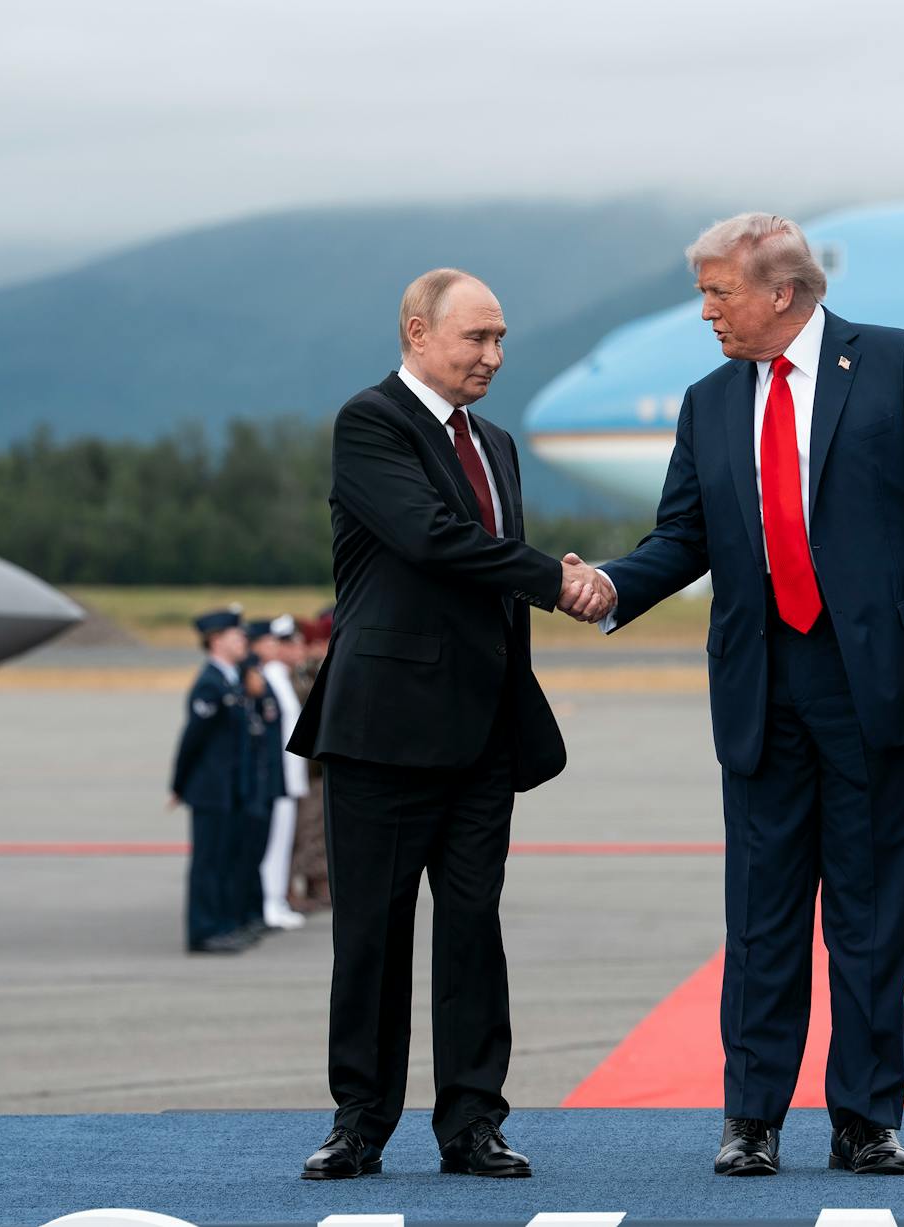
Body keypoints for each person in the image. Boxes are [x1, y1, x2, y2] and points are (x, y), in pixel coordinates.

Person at [564, 214, 904, 1177]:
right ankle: (751, 1117)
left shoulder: (897, 364)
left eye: (719, 293)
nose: (707, 312)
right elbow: (683, 537)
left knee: (870, 913)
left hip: (878, 681)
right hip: (762, 686)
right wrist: (611, 585)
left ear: (782, 293)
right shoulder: (710, 401)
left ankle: (865, 1119)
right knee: (761, 916)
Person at [285, 269, 605, 1182]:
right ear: (418, 333)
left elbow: (485, 575)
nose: (494, 356)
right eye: (477, 338)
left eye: (501, 339)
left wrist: (545, 581)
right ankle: (360, 1123)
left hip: (483, 733)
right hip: (383, 730)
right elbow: (430, 536)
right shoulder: (371, 422)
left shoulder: (494, 443)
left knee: (473, 930)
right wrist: (554, 579)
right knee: (373, 936)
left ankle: (472, 1122)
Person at [169, 606, 259, 955]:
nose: (244, 640)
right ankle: (203, 931)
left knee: (224, 860)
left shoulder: (230, 680)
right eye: (237, 635)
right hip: (210, 789)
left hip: (230, 788)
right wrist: (179, 784)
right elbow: (193, 739)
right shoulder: (210, 684)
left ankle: (223, 925)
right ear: (216, 640)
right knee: (208, 863)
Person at [255, 614, 309, 930]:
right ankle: (269, 902)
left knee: (282, 843)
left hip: (289, 777)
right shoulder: (270, 677)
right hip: (278, 777)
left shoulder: (281, 676)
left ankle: (276, 900)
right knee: (273, 845)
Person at [286, 611, 332, 914]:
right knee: (304, 829)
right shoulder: (299, 674)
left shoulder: (309, 671)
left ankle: (316, 881)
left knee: (315, 827)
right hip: (303, 767)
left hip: (313, 767)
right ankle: (297, 885)